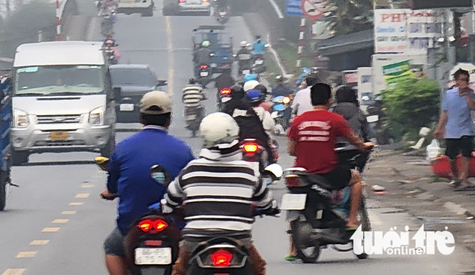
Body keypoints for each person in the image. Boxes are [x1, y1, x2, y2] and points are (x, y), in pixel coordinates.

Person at [164, 112, 276, 275]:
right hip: (239, 239)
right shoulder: (248, 171)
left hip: (195, 239)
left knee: (179, 270)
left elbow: (170, 200)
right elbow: (267, 202)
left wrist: (167, 208)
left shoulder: (191, 170)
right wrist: (271, 208)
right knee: (258, 269)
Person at [101, 91, 194, 275]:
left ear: (141, 118)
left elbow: (112, 184)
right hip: (173, 222)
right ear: (168, 119)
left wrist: (111, 192)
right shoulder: (183, 150)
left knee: (112, 248)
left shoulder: (124, 147)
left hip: (131, 220)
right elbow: (191, 185)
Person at [288, 83, 373, 236]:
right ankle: (352, 220)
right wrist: (364, 146)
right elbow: (355, 140)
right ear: (330, 100)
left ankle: (293, 249)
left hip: (302, 172)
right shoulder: (335, 120)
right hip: (326, 171)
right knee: (356, 179)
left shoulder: (297, 121)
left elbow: (291, 151)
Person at [434, 68, 475, 189]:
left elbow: (473, 108)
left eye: (466, 80)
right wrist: (439, 128)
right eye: (462, 80)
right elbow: (445, 113)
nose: (464, 82)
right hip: (452, 130)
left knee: (466, 154)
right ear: (456, 81)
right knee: (451, 156)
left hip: (466, 129)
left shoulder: (471, 94)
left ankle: (464, 178)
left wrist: (467, 95)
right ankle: (454, 175)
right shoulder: (449, 94)